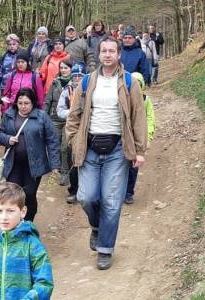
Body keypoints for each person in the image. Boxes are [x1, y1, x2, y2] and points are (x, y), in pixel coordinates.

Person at [65, 37, 147, 270]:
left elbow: (138, 117)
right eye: (104, 51)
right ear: (98, 54)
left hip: (118, 150)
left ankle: (105, 248)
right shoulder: (87, 82)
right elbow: (74, 115)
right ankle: (97, 227)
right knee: (86, 196)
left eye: (112, 51)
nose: (108, 54)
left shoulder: (129, 82)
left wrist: (139, 150)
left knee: (112, 202)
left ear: (119, 55)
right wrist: (73, 140)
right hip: (89, 147)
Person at [0, 183, 54, 300]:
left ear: (23, 212)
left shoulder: (32, 244)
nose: (4, 217)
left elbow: (45, 283)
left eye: (10, 211)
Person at [0, 88, 60, 222]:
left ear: (33, 103)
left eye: (26, 103)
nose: (23, 106)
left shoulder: (41, 116)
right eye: (20, 103)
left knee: (30, 194)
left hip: (34, 164)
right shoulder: (9, 115)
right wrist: (7, 139)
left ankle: (28, 222)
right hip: (13, 163)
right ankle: (15, 223)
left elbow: (52, 140)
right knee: (13, 195)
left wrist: (55, 164)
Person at [123, 73, 157, 205]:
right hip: (123, 137)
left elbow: (150, 119)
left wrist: (147, 137)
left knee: (133, 166)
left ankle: (128, 192)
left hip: (136, 138)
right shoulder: (122, 97)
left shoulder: (145, 100)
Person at [56, 63, 86, 202]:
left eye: (80, 76)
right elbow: (60, 110)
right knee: (72, 156)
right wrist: (72, 113)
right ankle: (74, 189)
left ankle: (87, 190)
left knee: (88, 158)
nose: (77, 79)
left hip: (88, 127)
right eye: (75, 76)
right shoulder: (66, 90)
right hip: (72, 126)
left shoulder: (91, 89)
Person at [44, 60, 74, 186]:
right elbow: (48, 101)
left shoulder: (76, 83)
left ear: (71, 69)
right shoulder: (55, 83)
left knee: (65, 147)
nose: (63, 70)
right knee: (54, 145)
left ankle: (66, 172)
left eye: (66, 68)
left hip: (69, 119)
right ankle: (57, 169)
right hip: (55, 119)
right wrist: (44, 117)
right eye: (61, 68)